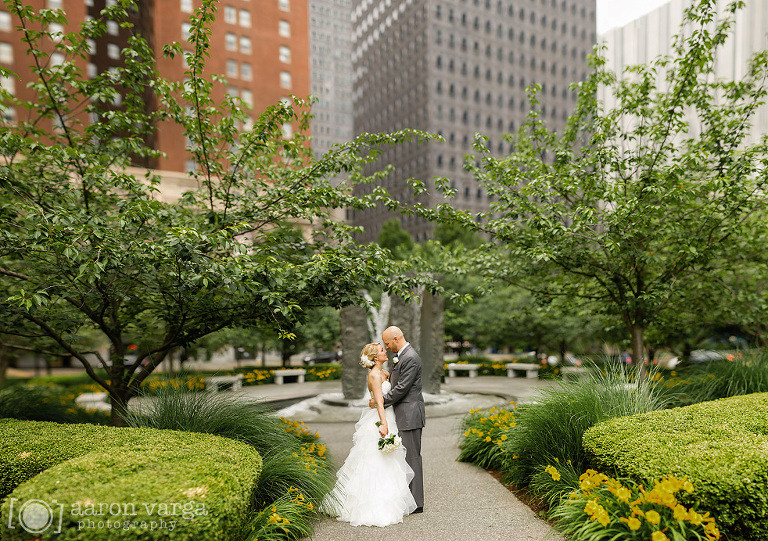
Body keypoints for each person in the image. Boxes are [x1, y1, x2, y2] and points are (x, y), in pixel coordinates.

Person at [323, 342, 417, 527]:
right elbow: (379, 402)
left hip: (389, 416)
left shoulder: (385, 373)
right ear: (375, 357)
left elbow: (388, 395)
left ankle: (389, 499)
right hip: (380, 419)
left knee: (390, 459)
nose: (385, 351)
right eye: (382, 350)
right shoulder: (374, 375)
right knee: (374, 458)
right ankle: (371, 505)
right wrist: (384, 423)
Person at [370, 325, 425, 514]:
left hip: (410, 414)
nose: (386, 347)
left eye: (387, 343)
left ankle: (416, 503)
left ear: (395, 339)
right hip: (403, 414)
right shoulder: (402, 356)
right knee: (405, 457)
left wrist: (379, 402)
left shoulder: (410, 357)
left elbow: (402, 388)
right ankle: (408, 500)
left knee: (412, 457)